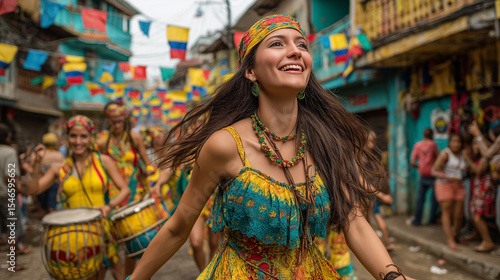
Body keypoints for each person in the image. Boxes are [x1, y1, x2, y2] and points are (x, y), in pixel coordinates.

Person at [128, 14, 412, 280]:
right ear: (250, 71)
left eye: (302, 44)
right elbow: (179, 227)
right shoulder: (225, 146)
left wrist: (393, 276)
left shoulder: (326, 140)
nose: (296, 51)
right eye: (277, 44)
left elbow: (355, 222)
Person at [27, 115, 130, 280]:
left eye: (83, 136)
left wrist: (109, 207)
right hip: (75, 235)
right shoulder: (59, 168)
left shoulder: (103, 161)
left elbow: (125, 190)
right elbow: (33, 189)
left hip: (103, 228)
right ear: (67, 137)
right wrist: (37, 163)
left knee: (120, 275)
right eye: (73, 136)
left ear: (91, 137)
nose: (78, 141)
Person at [97, 102, 155, 275]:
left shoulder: (134, 138)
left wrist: (153, 181)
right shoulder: (101, 140)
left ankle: (129, 277)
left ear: (125, 120)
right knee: (112, 241)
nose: (116, 125)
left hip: (134, 193)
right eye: (112, 121)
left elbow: (148, 164)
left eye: (119, 121)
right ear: (107, 120)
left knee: (132, 239)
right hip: (111, 195)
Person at [0, 123, 28, 270]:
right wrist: (19, 189)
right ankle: (12, 263)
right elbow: (9, 176)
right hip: (7, 195)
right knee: (14, 229)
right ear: (7, 136)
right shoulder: (9, 152)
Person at [431, 133, 467, 251]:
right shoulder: (445, 154)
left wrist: (463, 173)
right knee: (446, 213)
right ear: (449, 142)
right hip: (444, 185)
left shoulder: (462, 154)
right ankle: (450, 239)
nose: (456, 144)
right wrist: (449, 177)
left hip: (459, 186)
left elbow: (463, 170)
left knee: (459, 215)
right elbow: (434, 171)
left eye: (458, 142)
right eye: (454, 141)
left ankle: (456, 236)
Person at [410, 128, 439, 226]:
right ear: (432, 135)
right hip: (432, 175)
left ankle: (417, 221)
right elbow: (438, 158)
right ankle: (432, 220)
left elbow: (412, 162)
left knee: (420, 200)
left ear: (423, 135)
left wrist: (420, 167)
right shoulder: (433, 144)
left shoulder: (417, 145)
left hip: (422, 175)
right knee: (434, 200)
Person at [33, 133, 64, 215]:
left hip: (41, 182)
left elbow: (33, 169)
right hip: (54, 183)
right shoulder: (59, 155)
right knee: (52, 207)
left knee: (43, 207)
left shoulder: (38, 154)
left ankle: (45, 224)